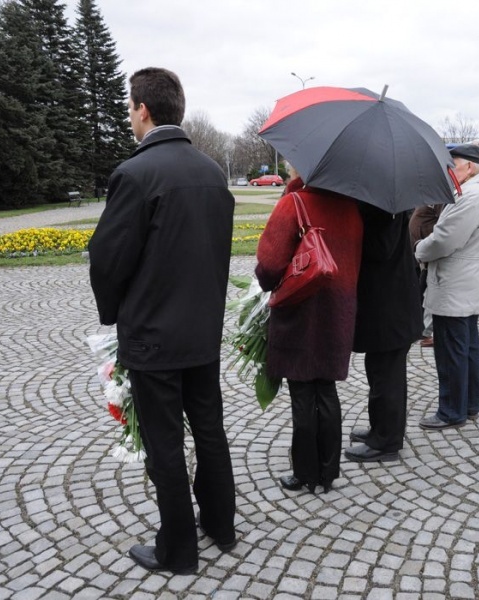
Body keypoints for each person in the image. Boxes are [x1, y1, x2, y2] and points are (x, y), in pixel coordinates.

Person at [88, 67, 236, 574]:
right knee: (210, 429)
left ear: (143, 110)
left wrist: (115, 315)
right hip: (202, 331)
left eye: (130, 108)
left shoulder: (135, 174)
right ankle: (221, 523)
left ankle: (178, 550)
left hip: (154, 336)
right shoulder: (212, 172)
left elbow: (108, 258)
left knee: (165, 443)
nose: (129, 116)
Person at [254, 163, 363, 493]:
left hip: (301, 311)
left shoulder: (294, 203)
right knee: (326, 390)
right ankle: (328, 471)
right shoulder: (351, 207)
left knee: (302, 392)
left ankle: (305, 472)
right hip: (338, 311)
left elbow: (268, 268)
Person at [415, 144, 479, 429]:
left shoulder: (472, 195)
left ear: (471, 167)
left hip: (455, 284)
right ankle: (468, 404)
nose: (450, 170)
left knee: (452, 351)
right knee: (466, 348)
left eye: (455, 164)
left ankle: (452, 411)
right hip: (465, 282)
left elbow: (443, 240)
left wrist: (418, 249)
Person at [345, 204, 423, 463]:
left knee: (386, 376)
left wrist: (354, 229)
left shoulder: (384, 206)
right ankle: (380, 429)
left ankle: (386, 442)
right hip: (390, 305)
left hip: (390, 307)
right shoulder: (385, 202)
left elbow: (381, 248)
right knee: (380, 370)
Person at [409, 202, 445, 348]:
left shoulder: (439, 197)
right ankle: (422, 328)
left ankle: (429, 331)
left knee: (427, 290)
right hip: (419, 252)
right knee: (422, 289)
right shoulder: (424, 195)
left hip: (429, 251)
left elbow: (441, 222)